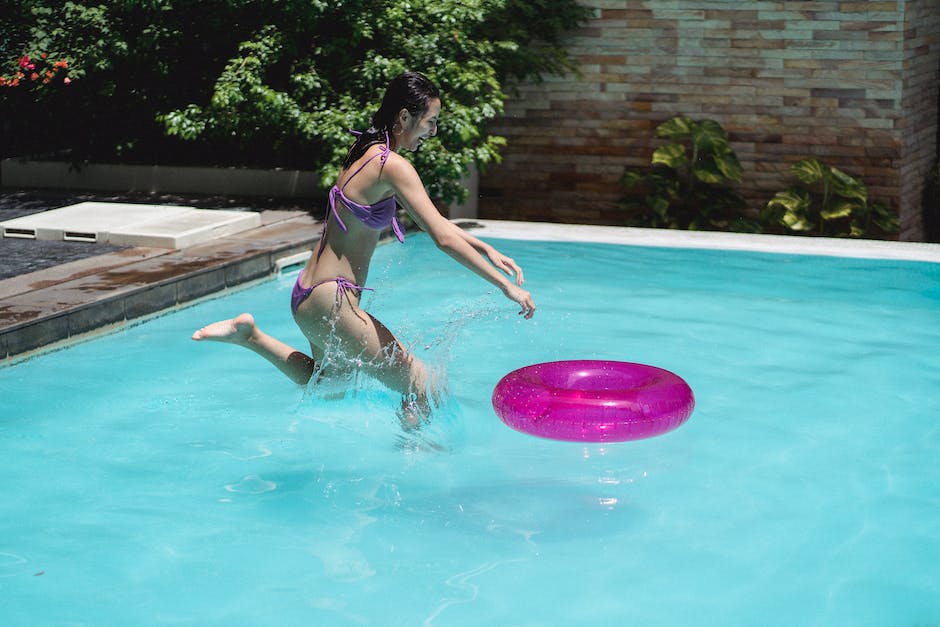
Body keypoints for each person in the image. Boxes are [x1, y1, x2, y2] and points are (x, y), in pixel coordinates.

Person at [192, 71, 536, 426]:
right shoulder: (393, 166)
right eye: (430, 121)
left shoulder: (364, 151)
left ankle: (250, 336)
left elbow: (436, 221)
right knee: (424, 385)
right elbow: (442, 238)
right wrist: (505, 285)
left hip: (308, 296)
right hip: (331, 301)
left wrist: (483, 247)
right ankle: (413, 459)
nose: (433, 132)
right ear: (405, 117)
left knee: (326, 381)